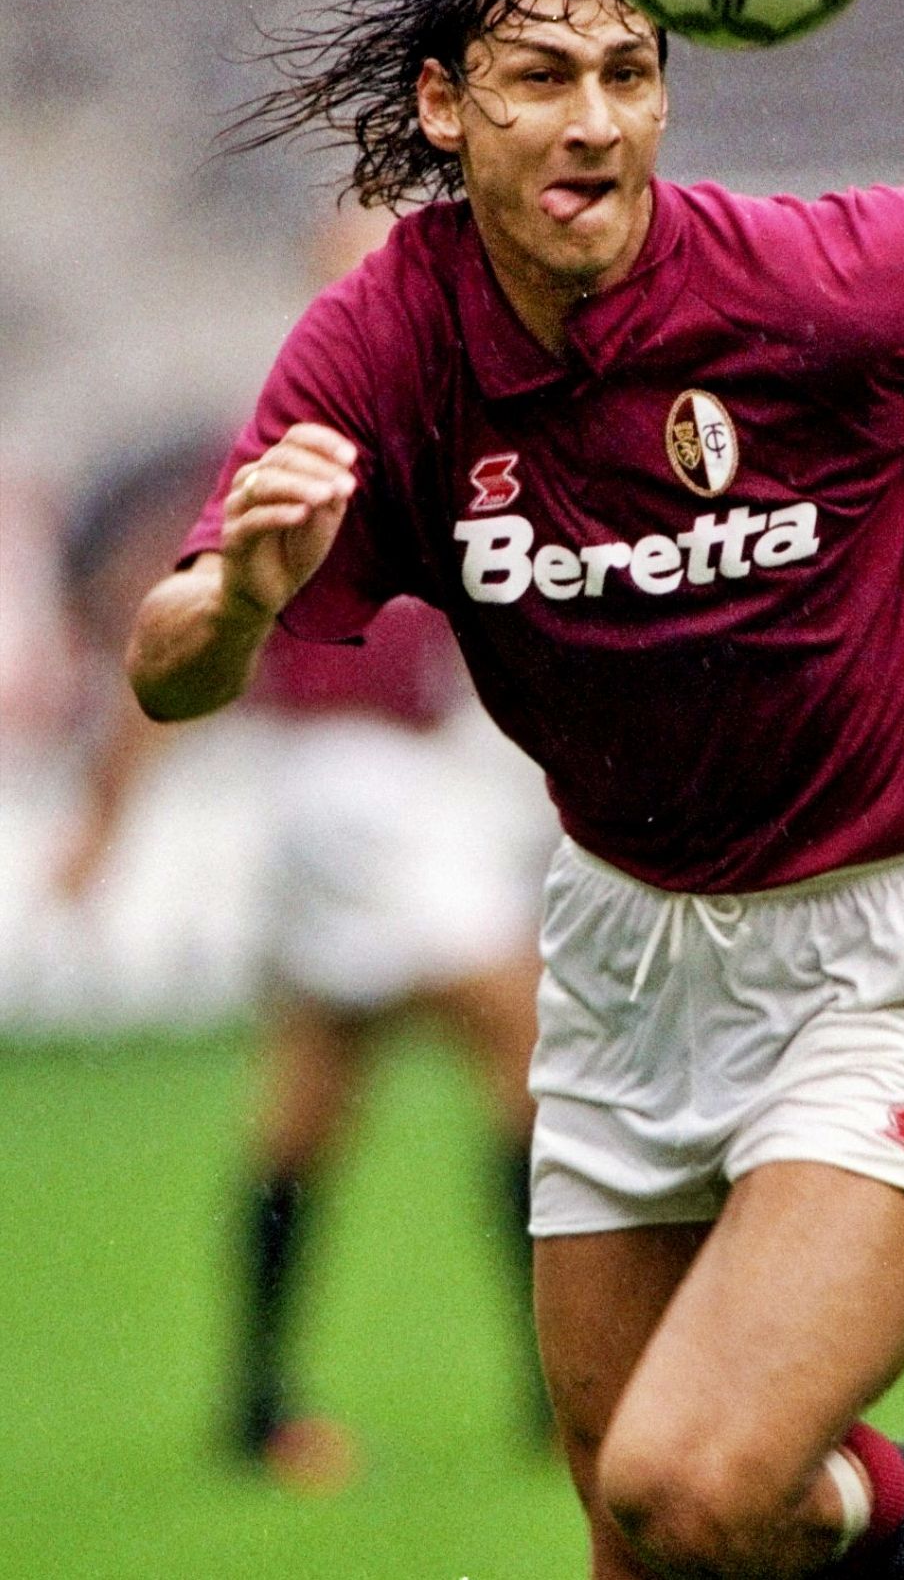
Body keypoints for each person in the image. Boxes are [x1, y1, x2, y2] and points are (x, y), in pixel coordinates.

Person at [125, 0, 904, 1576]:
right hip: (625, 951)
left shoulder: (803, 283)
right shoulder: (387, 342)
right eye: (539, 78)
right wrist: (240, 591)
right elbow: (170, 670)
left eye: (626, 75)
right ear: (443, 108)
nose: (591, 119)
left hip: (879, 955)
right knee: (639, 1536)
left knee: (692, 1486)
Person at [57, 432, 557, 1487]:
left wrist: (106, 815)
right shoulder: (330, 458)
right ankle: (555, 1388)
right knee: (531, 1059)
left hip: (357, 794)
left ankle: (257, 1405)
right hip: (360, 794)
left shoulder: (422, 454)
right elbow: (193, 614)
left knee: (309, 1100)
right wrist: (107, 811)